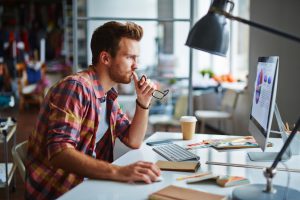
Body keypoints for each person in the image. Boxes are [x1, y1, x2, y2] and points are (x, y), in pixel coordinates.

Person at [25, 21, 161, 200]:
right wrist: (118, 172)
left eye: (137, 58)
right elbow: (60, 152)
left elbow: (133, 140)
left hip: (88, 185)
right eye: (129, 57)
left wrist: (143, 102)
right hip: (59, 191)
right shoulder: (75, 87)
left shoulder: (108, 95)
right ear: (105, 58)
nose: (136, 65)